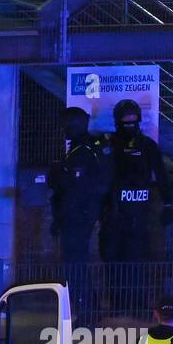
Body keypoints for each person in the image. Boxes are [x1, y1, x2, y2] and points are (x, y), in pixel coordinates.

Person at [102, 99, 173, 293]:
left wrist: (168, 203)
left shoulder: (147, 145)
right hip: (114, 211)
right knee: (113, 255)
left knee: (137, 256)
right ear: (118, 120)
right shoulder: (109, 144)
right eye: (126, 118)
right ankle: (118, 301)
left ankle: (137, 301)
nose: (129, 122)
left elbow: (161, 175)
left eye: (133, 118)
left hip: (140, 212)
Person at [50, 106, 112, 311]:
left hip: (76, 218)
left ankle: (86, 312)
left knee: (75, 266)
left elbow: (71, 187)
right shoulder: (85, 147)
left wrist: (58, 176)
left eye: (65, 126)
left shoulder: (83, 151)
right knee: (76, 265)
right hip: (77, 216)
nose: (63, 131)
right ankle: (89, 308)